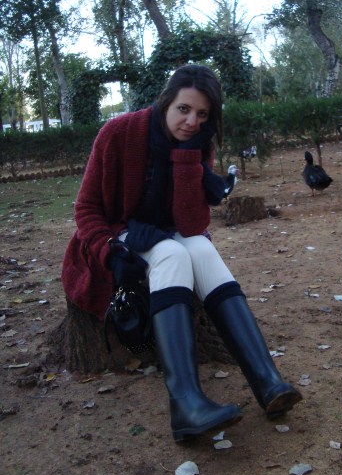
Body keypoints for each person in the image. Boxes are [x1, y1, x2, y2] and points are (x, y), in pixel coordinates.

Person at [62, 64, 301, 442]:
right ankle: (186, 403)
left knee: (201, 249)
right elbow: (86, 209)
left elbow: (192, 225)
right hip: (115, 235)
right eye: (184, 109)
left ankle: (267, 380)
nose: (192, 122)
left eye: (202, 114)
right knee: (172, 255)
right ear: (165, 102)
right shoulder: (119, 132)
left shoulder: (197, 143)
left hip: (167, 232)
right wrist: (109, 251)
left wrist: (188, 159)